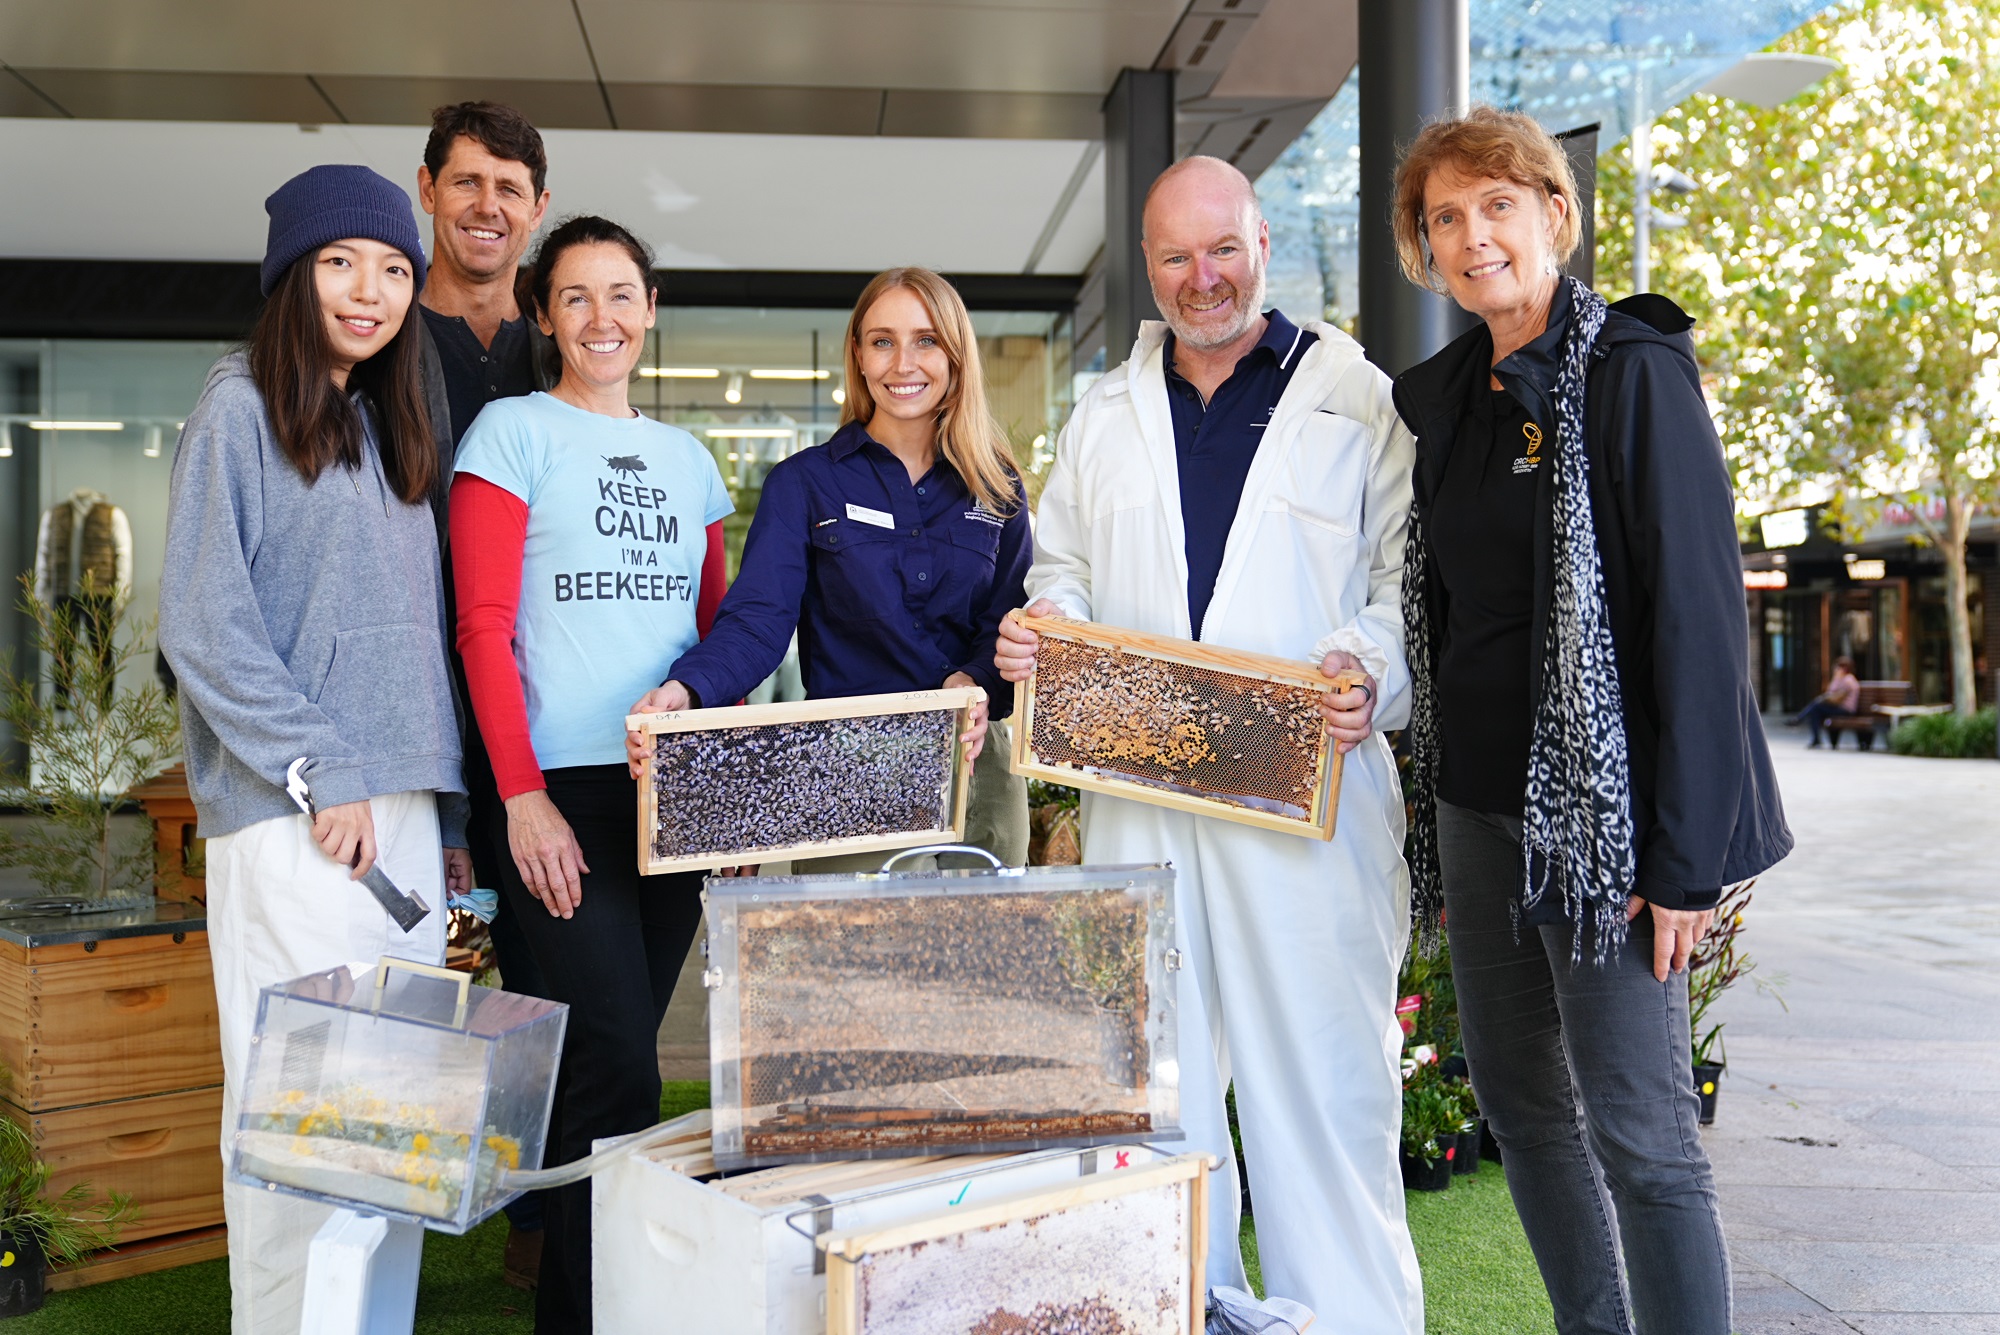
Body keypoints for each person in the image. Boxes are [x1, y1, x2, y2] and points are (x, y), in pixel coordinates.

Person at [994, 156, 1422, 1330]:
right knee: (1159, 1081)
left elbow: (1405, 585)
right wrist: (1051, 633)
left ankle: (1345, 1319)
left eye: (1221, 249)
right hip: (1142, 796)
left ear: (1264, 242)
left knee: (1323, 1086)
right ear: (1148, 266)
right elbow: (1061, 569)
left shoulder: (1354, 397)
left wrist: (1369, 672)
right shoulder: (1101, 411)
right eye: (1176, 257)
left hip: (1307, 799)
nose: (1202, 278)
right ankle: (1184, 1307)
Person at [1388, 107, 1792, 1335]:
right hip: (1479, 812)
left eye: (1496, 205)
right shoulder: (1449, 399)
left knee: (1643, 1134)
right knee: (1520, 1112)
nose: (1473, 236)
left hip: (1607, 836)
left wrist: (1681, 864)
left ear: (1553, 213)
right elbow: (1444, 616)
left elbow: (1699, 630)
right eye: (1444, 217)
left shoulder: (1630, 371)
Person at [158, 165, 468, 1335]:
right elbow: (202, 623)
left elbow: (406, 648)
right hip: (297, 820)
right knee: (303, 1123)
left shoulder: (390, 423)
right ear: (293, 272)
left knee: (392, 1126)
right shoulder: (238, 405)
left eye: (394, 269)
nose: (371, 290)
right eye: (343, 261)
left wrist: (440, 822)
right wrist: (322, 773)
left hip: (394, 823)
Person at [449, 215, 732, 1334]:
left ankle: (606, 1299)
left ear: (649, 310)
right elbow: (481, 630)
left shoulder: (691, 462)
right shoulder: (509, 434)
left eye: (621, 294)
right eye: (575, 297)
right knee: (611, 1062)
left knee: (613, 1073)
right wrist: (517, 797)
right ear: (542, 314)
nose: (601, 318)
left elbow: (715, 645)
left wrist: (730, 801)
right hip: (556, 793)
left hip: (673, 797)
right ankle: (590, 1314)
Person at [625, 267, 1032, 869]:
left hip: (980, 771)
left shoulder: (997, 486)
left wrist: (972, 681)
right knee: (854, 963)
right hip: (850, 772)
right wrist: (688, 689)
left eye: (926, 340)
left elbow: (1009, 619)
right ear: (859, 357)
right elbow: (758, 619)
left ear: (955, 354)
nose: (903, 363)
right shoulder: (805, 483)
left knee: (985, 962)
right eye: (882, 341)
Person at [414, 98, 557, 1289]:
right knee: (428, 967)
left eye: (508, 188)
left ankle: (534, 1217)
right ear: (427, 191)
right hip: (411, 716)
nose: (487, 206)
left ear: (537, 210)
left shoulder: (555, 352)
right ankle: (396, 1212)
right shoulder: (374, 340)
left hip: (523, 714)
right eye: (467, 183)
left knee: (542, 977)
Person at [1793, 656, 1860, 748]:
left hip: (1845, 710)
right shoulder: (1839, 679)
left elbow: (1837, 699)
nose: (1836, 669)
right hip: (1837, 708)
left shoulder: (1848, 680)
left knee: (1816, 706)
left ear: (1844, 669)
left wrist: (1825, 698)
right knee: (1815, 711)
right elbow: (1830, 691)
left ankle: (1800, 719)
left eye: (1838, 667)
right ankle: (1815, 737)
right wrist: (1836, 679)